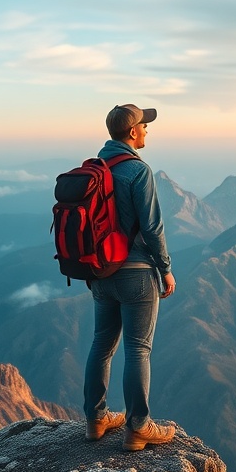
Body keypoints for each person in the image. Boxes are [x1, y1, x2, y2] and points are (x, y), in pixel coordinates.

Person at [83, 103, 177, 451]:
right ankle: (138, 427)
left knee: (101, 345)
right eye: (144, 126)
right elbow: (152, 228)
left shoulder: (96, 168)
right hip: (136, 274)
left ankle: (96, 418)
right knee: (138, 349)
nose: (147, 131)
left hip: (99, 273)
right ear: (133, 132)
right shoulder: (138, 171)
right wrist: (165, 269)